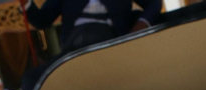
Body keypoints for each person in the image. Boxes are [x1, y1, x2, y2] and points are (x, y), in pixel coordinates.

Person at [25, 0, 159, 56]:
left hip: (113, 41)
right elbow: (42, 20)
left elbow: (154, 3)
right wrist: (27, 4)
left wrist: (140, 26)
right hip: (74, 47)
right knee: (30, 79)